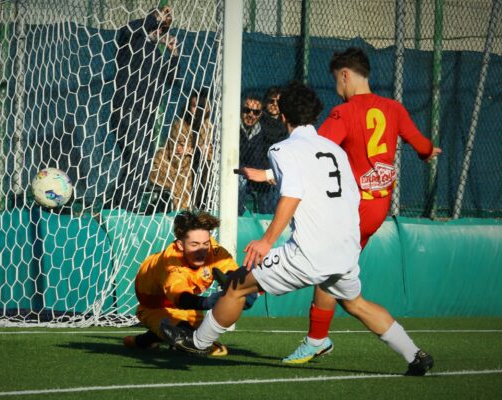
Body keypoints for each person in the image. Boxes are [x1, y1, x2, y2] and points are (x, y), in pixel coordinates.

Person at [160, 81, 434, 376]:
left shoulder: (281, 148)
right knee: (356, 304)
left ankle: (199, 342)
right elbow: (334, 189)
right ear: (315, 115)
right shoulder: (334, 149)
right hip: (345, 250)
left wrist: (266, 241)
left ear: (282, 116)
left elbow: (293, 193)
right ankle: (414, 354)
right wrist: (267, 175)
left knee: (238, 288)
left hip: (309, 254)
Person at [236, 48, 442, 364]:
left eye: (336, 80)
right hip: (378, 209)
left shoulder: (343, 113)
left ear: (345, 75)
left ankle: (267, 303)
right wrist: (429, 153)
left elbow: (312, 155)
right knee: (334, 276)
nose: (336, 88)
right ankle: (402, 352)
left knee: (329, 271)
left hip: (350, 209)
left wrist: (266, 174)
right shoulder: (394, 108)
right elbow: (421, 144)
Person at [123, 210, 249, 356]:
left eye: (205, 243)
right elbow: (182, 298)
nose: (201, 250)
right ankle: (142, 339)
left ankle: (144, 340)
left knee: (205, 339)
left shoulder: (213, 250)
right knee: (188, 338)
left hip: (186, 300)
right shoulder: (172, 266)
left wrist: (243, 290)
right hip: (154, 304)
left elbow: (232, 271)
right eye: (194, 244)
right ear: (180, 245)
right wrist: (208, 302)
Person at [108, 5, 180, 212]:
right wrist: (155, 17)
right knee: (138, 160)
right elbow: (126, 31)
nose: (162, 28)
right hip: (128, 109)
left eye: (166, 26)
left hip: (147, 114)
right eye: (160, 22)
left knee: (139, 162)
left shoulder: (156, 53)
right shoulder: (133, 42)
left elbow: (171, 79)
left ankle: (120, 206)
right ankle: (124, 208)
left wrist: (173, 55)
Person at [238, 93, 287, 215]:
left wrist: (266, 174)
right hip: (236, 171)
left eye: (255, 112)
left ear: (260, 114)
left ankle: (267, 218)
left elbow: (257, 158)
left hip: (251, 171)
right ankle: (236, 217)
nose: (251, 114)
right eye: (247, 110)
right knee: (240, 180)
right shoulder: (233, 127)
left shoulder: (259, 131)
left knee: (272, 180)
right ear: (240, 110)